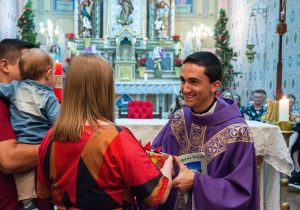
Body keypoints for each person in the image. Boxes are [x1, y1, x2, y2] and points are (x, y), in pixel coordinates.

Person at [37, 53, 173, 209]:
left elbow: (43, 193)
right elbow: (157, 195)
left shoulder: (50, 138)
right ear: (106, 89)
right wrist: (167, 163)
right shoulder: (116, 138)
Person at [143, 52, 259, 210]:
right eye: (183, 80)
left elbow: (241, 192)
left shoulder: (237, 132)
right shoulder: (179, 118)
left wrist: (196, 182)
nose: (185, 89)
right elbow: (156, 157)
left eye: (193, 82)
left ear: (215, 85)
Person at [0, 48, 60, 210]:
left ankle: (28, 202)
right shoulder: (49, 96)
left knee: (24, 177)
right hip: (42, 138)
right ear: (48, 74)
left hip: (23, 139)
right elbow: (59, 124)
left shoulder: (15, 87)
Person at [287, 94, 300, 187]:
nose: (290, 104)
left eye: (292, 102)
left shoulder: (294, 112)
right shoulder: (278, 110)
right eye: (289, 102)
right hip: (285, 132)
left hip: (293, 134)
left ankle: (290, 148)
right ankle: (297, 168)